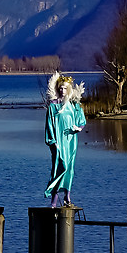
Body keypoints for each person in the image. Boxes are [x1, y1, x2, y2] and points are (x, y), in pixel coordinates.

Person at [44, 73, 86, 207]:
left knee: (69, 168)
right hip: (58, 142)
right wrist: (52, 141)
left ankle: (67, 196)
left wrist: (78, 128)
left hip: (71, 141)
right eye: (60, 88)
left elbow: (82, 121)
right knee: (58, 167)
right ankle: (54, 200)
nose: (62, 91)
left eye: (65, 88)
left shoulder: (74, 105)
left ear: (69, 90)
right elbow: (49, 125)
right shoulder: (53, 106)